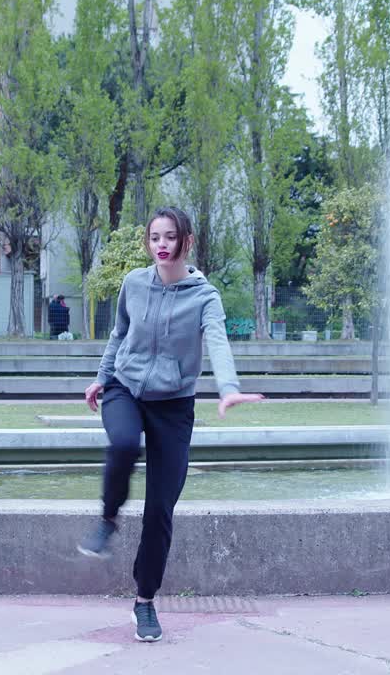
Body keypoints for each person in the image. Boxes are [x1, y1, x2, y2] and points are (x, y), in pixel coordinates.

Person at [77, 205, 263, 642]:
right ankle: (106, 521)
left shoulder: (205, 296)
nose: (161, 245)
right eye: (154, 237)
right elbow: (119, 334)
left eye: (170, 237)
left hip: (174, 406)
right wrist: (102, 378)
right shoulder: (133, 284)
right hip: (124, 389)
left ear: (187, 241)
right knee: (123, 444)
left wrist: (227, 387)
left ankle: (144, 601)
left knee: (160, 510)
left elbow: (216, 338)